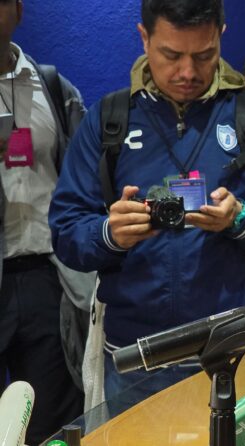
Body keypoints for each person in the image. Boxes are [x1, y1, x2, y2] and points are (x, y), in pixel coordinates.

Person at [49, 0, 245, 406]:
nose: (188, 72)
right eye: (171, 55)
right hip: (134, 360)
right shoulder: (110, 120)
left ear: (221, 35)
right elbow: (65, 233)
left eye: (205, 55)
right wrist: (109, 233)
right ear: (144, 37)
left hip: (238, 354)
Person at [0, 0, 95, 443]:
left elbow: (87, 179)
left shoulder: (53, 87)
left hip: (43, 276)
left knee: (50, 421)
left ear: (18, 9)